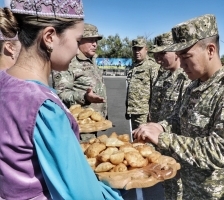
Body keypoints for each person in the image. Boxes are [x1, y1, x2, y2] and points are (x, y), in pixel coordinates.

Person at [0, 1, 122, 199]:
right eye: (77, 40)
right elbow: (82, 194)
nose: (76, 50)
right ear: (49, 37)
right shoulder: (43, 106)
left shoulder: (5, 82)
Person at [133, 14, 224, 199]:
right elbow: (179, 118)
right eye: (179, 57)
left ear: (210, 50)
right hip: (192, 190)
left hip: (219, 194)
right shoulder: (195, 85)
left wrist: (164, 138)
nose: (181, 64)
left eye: (186, 56)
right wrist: (161, 126)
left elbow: (222, 151)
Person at [149, 31, 190, 200]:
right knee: (166, 184)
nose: (158, 57)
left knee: (179, 187)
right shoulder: (163, 75)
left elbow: (183, 117)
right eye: (156, 53)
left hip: (176, 144)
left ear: (176, 52)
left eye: (163, 53)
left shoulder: (186, 78)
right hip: (162, 142)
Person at [52, 23, 107, 141]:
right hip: (79, 127)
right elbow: (61, 93)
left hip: (93, 122)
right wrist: (85, 97)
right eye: (90, 40)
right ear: (79, 40)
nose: (95, 44)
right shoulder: (68, 62)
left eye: (96, 40)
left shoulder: (91, 60)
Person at [125, 37, 160, 130]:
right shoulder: (133, 66)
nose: (137, 51)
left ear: (146, 49)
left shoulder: (152, 66)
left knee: (144, 140)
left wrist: (152, 112)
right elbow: (130, 89)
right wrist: (127, 109)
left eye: (139, 49)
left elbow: (155, 90)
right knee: (135, 139)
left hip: (144, 112)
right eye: (134, 49)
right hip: (133, 110)